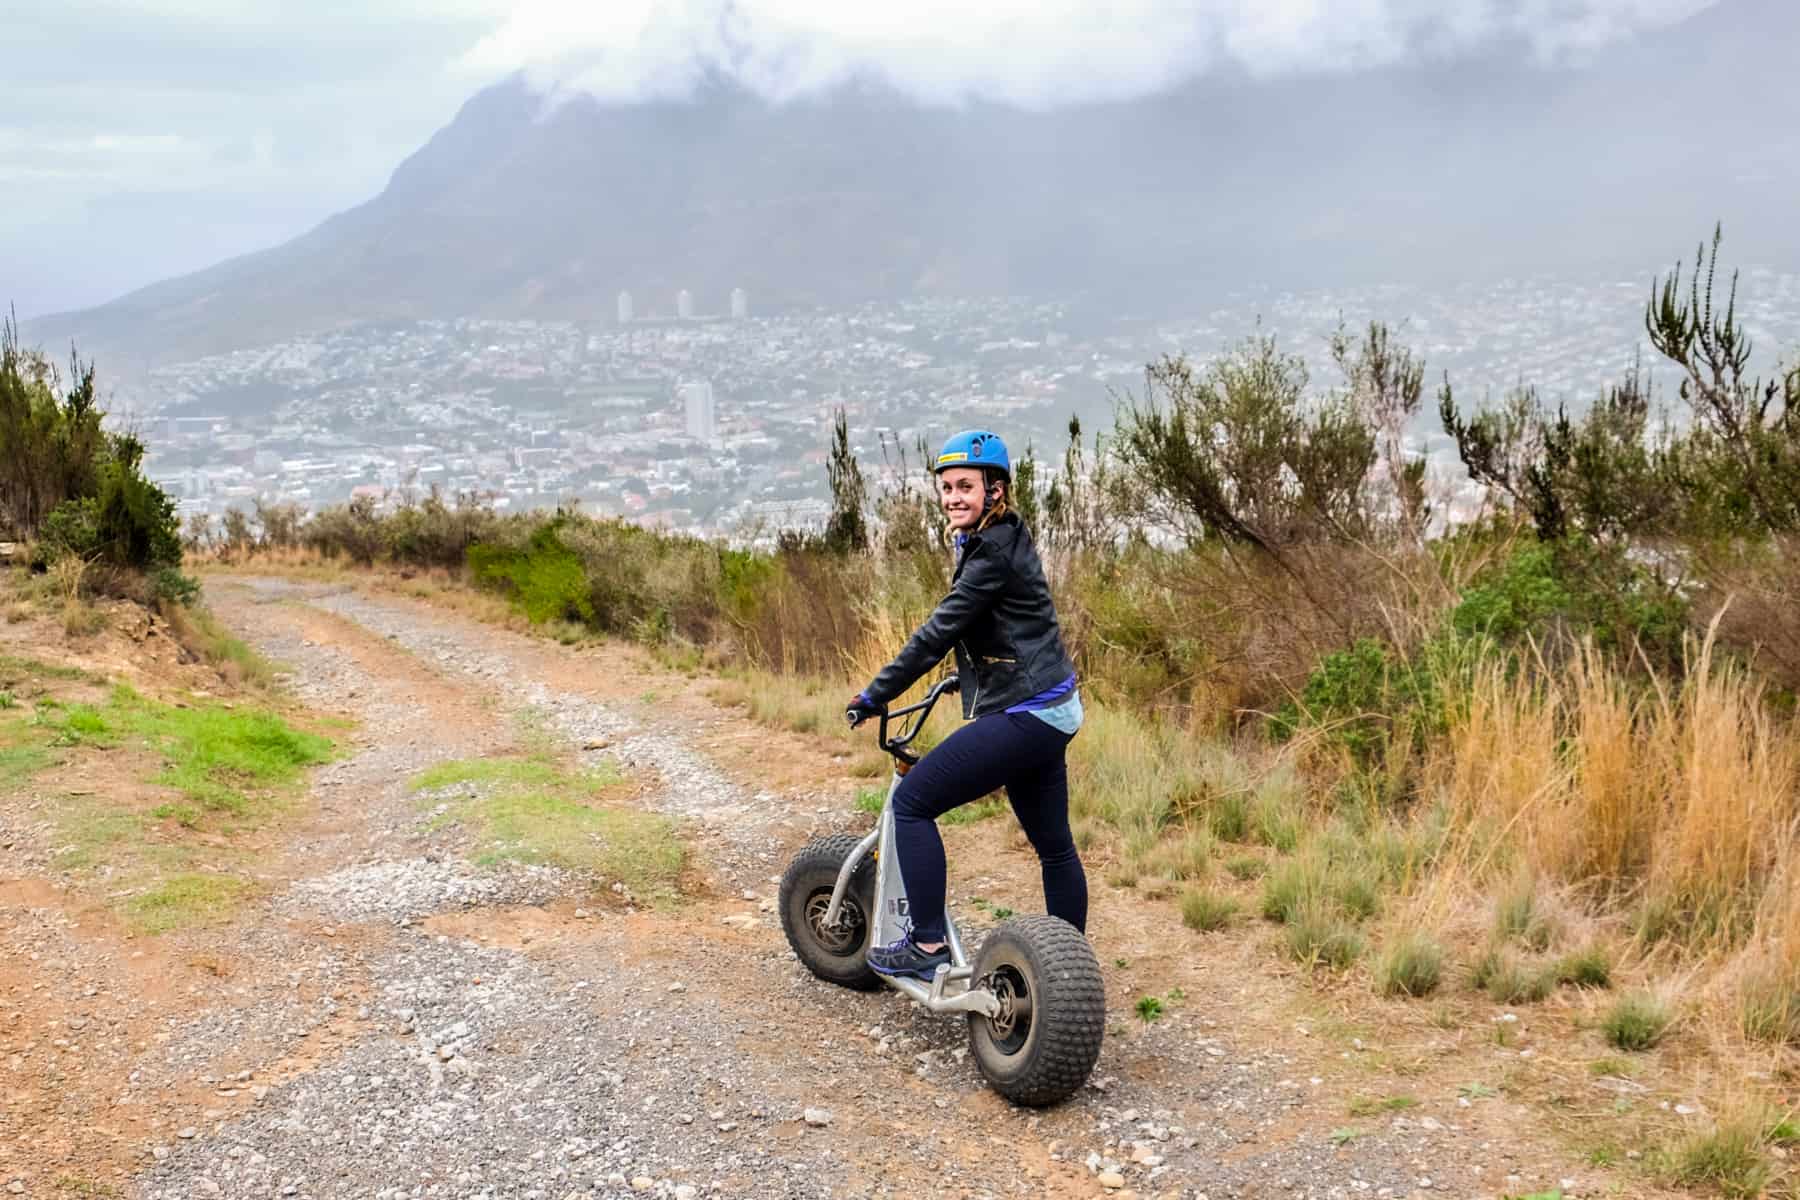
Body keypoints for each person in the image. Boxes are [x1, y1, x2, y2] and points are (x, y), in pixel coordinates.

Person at [845, 429, 1087, 980]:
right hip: (1052, 708)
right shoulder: (1001, 537)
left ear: (995, 491)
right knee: (1054, 847)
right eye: (947, 487)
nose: (953, 496)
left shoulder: (990, 554)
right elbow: (1015, 627)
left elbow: (937, 632)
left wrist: (875, 693)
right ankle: (1072, 971)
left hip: (1028, 714)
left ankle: (927, 948)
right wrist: (969, 678)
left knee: (912, 803)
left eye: (966, 487)